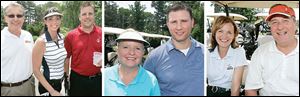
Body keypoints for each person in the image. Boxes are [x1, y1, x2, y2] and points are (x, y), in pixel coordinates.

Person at [143, 2, 204, 96]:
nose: (179, 27)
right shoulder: (154, 57)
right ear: (168, 24)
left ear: (192, 23)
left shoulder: (206, 53)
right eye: (174, 22)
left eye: (184, 21)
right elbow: (145, 90)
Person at [245, 4, 299, 96]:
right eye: (274, 22)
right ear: (270, 26)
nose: (280, 27)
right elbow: (251, 89)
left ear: (295, 24)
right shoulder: (260, 52)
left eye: (285, 21)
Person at [104, 29, 161, 96]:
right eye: (126, 47)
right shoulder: (104, 76)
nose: (132, 52)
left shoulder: (151, 80)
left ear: (143, 52)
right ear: (117, 50)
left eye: (137, 48)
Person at [64, 1, 102, 96]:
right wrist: (66, 76)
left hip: (97, 80)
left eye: (90, 13)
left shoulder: (102, 33)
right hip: (77, 81)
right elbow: (66, 58)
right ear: (80, 17)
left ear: (94, 16)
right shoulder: (70, 36)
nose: (87, 17)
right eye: (84, 14)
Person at [207, 16, 248, 96]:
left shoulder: (239, 53)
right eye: (220, 31)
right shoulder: (207, 53)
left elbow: (235, 88)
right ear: (214, 33)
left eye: (229, 32)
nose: (224, 36)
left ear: (234, 35)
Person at [1, 3, 35, 96]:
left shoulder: (28, 35)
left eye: (19, 15)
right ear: (5, 18)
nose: (16, 19)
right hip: (8, 90)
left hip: (29, 86)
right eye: (11, 15)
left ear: (23, 18)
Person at [32, 7, 66, 96]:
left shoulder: (62, 37)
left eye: (57, 18)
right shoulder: (41, 42)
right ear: (45, 21)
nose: (54, 22)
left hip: (59, 84)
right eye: (50, 19)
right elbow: (36, 70)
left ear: (60, 20)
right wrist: (52, 91)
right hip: (47, 86)